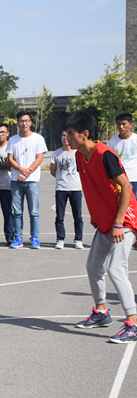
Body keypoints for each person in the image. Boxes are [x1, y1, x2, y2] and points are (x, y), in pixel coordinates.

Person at [65, 111, 137, 344]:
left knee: (116, 269)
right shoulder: (79, 155)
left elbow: (127, 187)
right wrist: (96, 214)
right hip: (106, 221)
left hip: (123, 220)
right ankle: (101, 312)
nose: (67, 138)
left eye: (71, 134)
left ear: (85, 134)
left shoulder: (104, 154)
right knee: (93, 266)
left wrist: (119, 223)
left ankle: (133, 324)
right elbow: (92, 185)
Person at [7, 110, 47, 249]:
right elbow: (10, 159)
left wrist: (26, 173)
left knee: (34, 212)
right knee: (17, 212)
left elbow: (39, 159)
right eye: (21, 121)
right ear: (17, 123)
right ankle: (18, 238)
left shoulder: (38, 138)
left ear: (30, 123)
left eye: (26, 120)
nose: (24, 123)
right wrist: (21, 170)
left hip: (32, 180)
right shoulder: (13, 140)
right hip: (16, 180)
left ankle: (35, 238)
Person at [50, 130, 84, 249]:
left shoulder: (78, 153)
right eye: (63, 135)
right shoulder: (56, 154)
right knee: (60, 216)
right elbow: (53, 171)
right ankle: (60, 239)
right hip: (61, 188)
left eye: (67, 135)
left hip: (76, 188)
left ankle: (78, 239)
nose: (65, 138)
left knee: (77, 216)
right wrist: (62, 179)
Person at [107, 113, 137, 194]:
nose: (121, 126)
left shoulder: (135, 139)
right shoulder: (112, 142)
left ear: (130, 124)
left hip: (134, 179)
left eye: (124, 124)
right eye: (118, 124)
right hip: (119, 179)